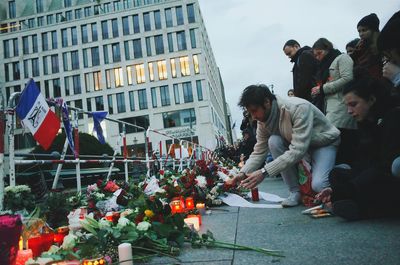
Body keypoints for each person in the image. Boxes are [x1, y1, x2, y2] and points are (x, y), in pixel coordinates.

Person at [228, 84, 340, 207]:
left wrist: (264, 172)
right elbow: (259, 152)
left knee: (319, 186)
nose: (253, 117)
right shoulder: (262, 121)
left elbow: (298, 150)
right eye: (250, 113)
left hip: (322, 143)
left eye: (254, 111)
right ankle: (294, 192)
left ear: (266, 102)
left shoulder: (297, 108)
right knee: (274, 141)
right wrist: (242, 174)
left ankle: (342, 168)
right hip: (301, 147)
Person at [316, 77, 400, 220]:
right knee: (336, 173)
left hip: (389, 175)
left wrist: (348, 188)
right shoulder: (365, 122)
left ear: (371, 100)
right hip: (374, 171)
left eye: (353, 104)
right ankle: (351, 204)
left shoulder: (393, 116)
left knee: (373, 176)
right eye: (347, 106)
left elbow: (384, 165)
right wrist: (336, 188)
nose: (349, 111)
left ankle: (361, 208)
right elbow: (363, 160)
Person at [311, 38, 357, 165]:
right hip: (331, 108)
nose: (317, 57)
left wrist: (322, 88)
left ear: (327, 49)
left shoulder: (342, 58)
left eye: (319, 53)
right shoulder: (325, 65)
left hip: (341, 107)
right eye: (315, 55)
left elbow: (348, 78)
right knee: (339, 145)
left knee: (344, 144)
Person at [351, 13, 383, 79]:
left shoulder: (381, 44)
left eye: (364, 30)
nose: (361, 34)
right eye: (359, 31)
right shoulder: (360, 47)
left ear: (373, 29)